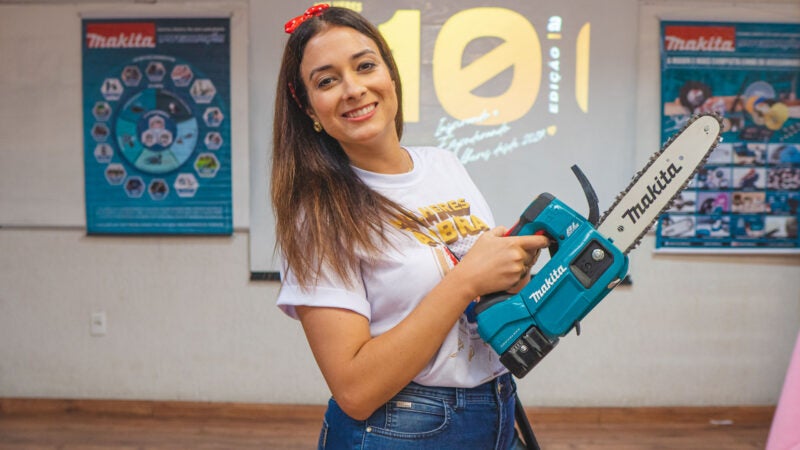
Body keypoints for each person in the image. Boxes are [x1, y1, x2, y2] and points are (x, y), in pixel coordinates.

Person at [271, 5, 549, 449]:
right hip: (400, 429)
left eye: (365, 66)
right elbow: (355, 391)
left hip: (497, 407)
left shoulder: (444, 164)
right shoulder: (318, 215)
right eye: (327, 80)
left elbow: (474, 302)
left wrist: (514, 272)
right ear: (309, 108)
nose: (354, 89)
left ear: (390, 73)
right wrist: (466, 279)